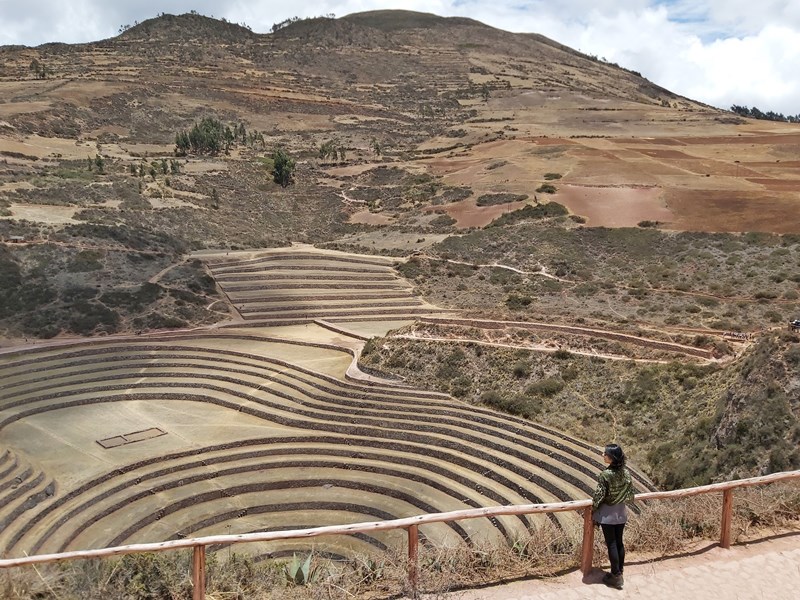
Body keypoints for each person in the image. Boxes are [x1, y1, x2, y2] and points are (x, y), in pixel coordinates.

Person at [592, 443, 635, 590]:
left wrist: (594, 509)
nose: (603, 455)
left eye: (605, 453)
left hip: (608, 513)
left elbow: (599, 495)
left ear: (612, 457)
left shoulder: (605, 475)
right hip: (621, 511)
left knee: (611, 543)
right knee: (619, 542)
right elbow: (630, 492)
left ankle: (615, 576)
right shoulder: (626, 473)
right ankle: (619, 572)